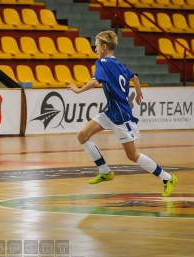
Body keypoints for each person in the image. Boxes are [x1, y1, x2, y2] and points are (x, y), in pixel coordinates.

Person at [67, 30, 177, 197]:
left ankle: (167, 177)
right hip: (111, 111)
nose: (95, 49)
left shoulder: (102, 62)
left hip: (120, 115)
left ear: (104, 47)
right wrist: (138, 92)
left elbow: (96, 81)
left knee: (132, 155)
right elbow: (134, 77)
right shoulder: (119, 64)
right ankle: (105, 171)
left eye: (96, 46)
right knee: (82, 135)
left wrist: (78, 90)